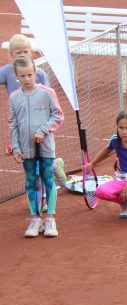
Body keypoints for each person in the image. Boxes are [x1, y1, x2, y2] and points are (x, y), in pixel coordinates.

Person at [9, 56, 62, 238]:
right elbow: (14, 124)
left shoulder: (47, 93)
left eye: (30, 75)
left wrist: (42, 131)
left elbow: (58, 116)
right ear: (16, 76)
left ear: (35, 73)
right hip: (26, 149)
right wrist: (16, 148)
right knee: (31, 182)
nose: (26, 79)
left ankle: (50, 219)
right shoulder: (14, 97)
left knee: (48, 180)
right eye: (22, 76)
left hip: (45, 147)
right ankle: (35, 219)